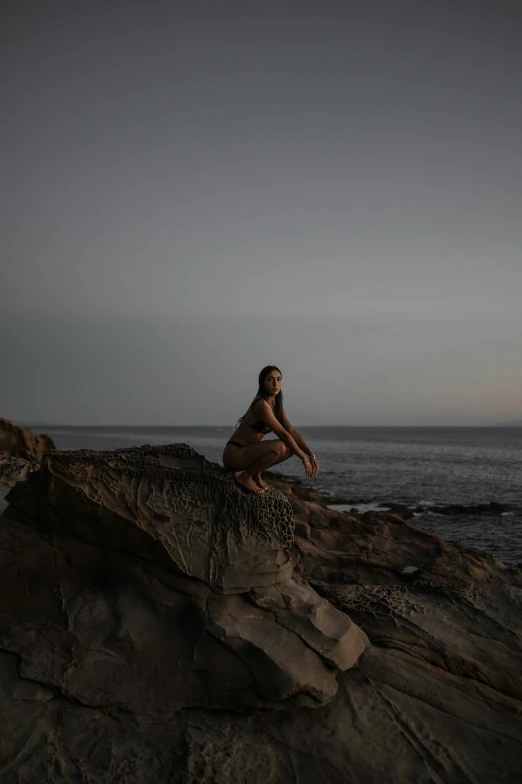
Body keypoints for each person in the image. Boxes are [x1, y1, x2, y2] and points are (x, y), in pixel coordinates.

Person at [222, 365, 319, 494]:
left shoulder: (276, 406)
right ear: (262, 382)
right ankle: (245, 477)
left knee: (291, 448)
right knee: (281, 446)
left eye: (278, 379)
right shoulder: (261, 404)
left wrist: (311, 455)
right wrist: (303, 458)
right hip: (234, 455)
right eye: (270, 379)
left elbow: (292, 432)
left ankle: (256, 474)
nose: (275, 384)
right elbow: (283, 434)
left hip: (247, 453)